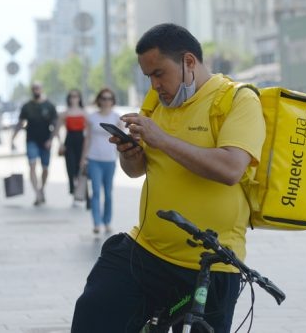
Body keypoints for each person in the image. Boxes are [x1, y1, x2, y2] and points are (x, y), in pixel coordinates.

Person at [71, 23, 266, 332]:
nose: (154, 85)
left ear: (189, 61)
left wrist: (161, 139)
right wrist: (130, 154)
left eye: (159, 73)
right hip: (147, 250)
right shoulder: (155, 103)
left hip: (210, 263)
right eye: (148, 76)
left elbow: (231, 168)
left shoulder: (237, 100)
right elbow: (136, 171)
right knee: (94, 309)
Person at [80, 88, 121, 234]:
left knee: (108, 193)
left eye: (109, 98)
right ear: (99, 100)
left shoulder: (116, 117)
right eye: (103, 98)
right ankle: (97, 223)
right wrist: (83, 158)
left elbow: (122, 140)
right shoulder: (92, 117)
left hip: (110, 160)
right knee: (96, 191)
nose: (106, 101)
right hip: (94, 159)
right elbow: (87, 139)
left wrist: (122, 158)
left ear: (113, 101)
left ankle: (107, 221)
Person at [10, 82, 58, 205]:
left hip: (45, 141)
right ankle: (37, 194)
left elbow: (55, 125)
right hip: (31, 140)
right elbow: (20, 123)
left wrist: (51, 140)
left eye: (38, 88)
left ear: (42, 89)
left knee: (45, 168)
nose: (36, 90)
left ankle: (42, 189)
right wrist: (13, 138)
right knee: (32, 165)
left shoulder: (49, 106)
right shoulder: (27, 106)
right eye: (34, 88)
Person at [55, 89, 87, 198]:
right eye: (72, 96)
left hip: (81, 141)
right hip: (69, 141)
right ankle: (73, 189)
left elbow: (90, 130)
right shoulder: (65, 113)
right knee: (70, 167)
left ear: (79, 98)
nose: (74, 99)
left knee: (80, 167)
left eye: (76, 96)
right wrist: (60, 144)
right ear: (68, 99)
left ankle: (80, 191)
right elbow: (57, 129)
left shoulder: (84, 113)